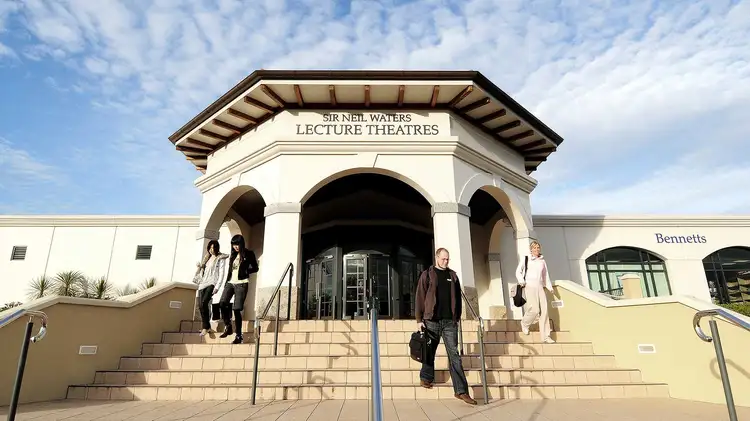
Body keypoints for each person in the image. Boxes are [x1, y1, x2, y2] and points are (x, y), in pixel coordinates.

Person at [415, 248, 477, 405]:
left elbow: (457, 297)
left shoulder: (453, 276)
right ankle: (426, 377)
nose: (446, 261)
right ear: (436, 258)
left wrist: (457, 318)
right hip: (432, 320)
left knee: (454, 356)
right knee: (429, 351)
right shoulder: (427, 274)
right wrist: (418, 319)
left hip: (449, 323)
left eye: (447, 259)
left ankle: (461, 391)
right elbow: (420, 296)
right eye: (443, 259)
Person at [216, 234, 259, 344]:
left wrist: (246, 271)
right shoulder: (233, 255)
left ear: (241, 243)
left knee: (236, 309)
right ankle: (228, 326)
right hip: (230, 283)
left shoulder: (248, 254)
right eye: (233, 244)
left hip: (242, 283)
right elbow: (230, 271)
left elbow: (255, 267)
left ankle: (239, 336)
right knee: (222, 303)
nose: (235, 247)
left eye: (237, 244)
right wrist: (226, 282)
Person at [516, 240, 555, 344]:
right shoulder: (526, 259)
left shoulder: (542, 261)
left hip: (540, 286)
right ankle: (525, 323)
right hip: (529, 285)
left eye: (538, 248)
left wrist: (550, 287)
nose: (536, 250)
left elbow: (545, 276)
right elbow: (518, 271)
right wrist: (521, 281)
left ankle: (546, 336)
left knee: (545, 311)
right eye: (534, 248)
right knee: (535, 310)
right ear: (531, 249)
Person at [193, 240, 229, 337]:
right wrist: (200, 267)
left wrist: (217, 286)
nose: (212, 250)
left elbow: (221, 274)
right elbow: (203, 272)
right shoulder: (206, 258)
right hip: (203, 283)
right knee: (200, 305)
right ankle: (207, 326)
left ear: (217, 248)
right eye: (210, 248)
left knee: (204, 302)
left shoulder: (220, 258)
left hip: (212, 283)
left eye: (213, 248)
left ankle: (205, 327)